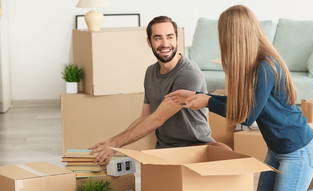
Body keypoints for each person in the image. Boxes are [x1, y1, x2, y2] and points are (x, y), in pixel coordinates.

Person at [164, 5, 313, 191]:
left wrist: (207, 102)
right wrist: (201, 96)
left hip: (298, 151)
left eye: (224, 35)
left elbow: (248, 116)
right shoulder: (250, 66)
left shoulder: (265, 67)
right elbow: (240, 103)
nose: (222, 42)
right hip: (277, 151)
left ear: (236, 36)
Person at [89, 16, 231, 165]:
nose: (165, 44)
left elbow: (157, 118)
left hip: (196, 147)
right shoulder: (150, 72)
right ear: (149, 42)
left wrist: (116, 143)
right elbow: (146, 116)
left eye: (170, 37)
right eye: (158, 38)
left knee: (225, 152)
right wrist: (112, 141)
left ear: (177, 39)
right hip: (165, 150)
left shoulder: (189, 74)